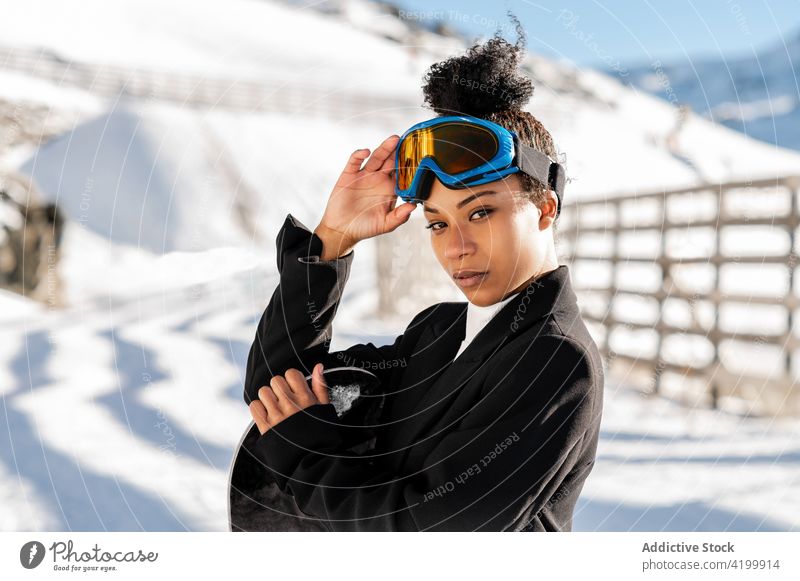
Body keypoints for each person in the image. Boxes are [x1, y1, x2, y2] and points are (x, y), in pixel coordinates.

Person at [243, 15, 604, 531]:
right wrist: (333, 239)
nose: (456, 247)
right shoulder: (437, 333)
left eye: (480, 213)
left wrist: (304, 456)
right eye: (437, 224)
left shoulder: (557, 360)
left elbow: (431, 529)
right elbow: (280, 391)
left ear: (545, 209)